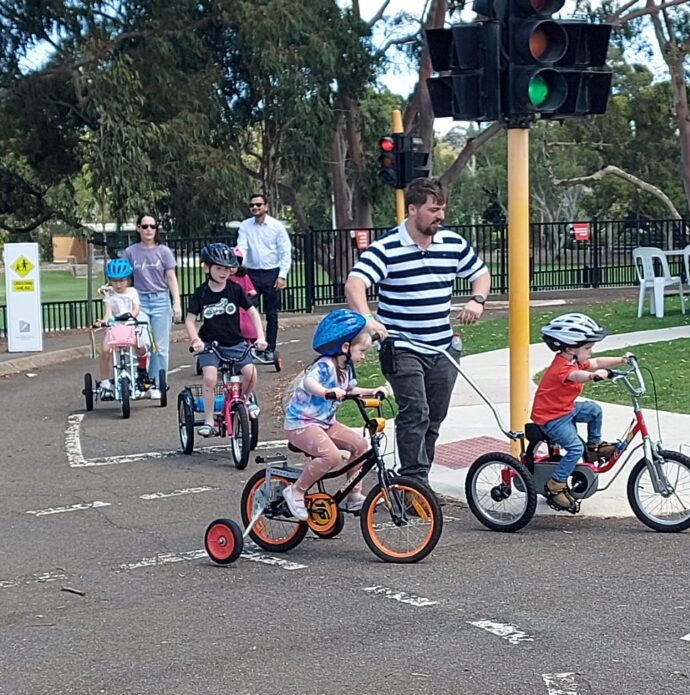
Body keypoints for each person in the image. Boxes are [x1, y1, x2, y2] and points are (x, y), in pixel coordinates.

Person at [344, 177, 490, 490]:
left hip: (442, 347)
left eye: (443, 209)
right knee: (416, 412)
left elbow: (480, 274)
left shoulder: (452, 244)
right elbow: (354, 284)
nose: (441, 216)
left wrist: (477, 300)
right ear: (412, 209)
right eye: (433, 209)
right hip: (402, 346)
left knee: (434, 417)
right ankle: (414, 485)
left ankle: (412, 477)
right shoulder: (387, 248)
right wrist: (368, 319)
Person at [281, 309, 389, 520]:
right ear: (345, 347)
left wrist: (371, 391)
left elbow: (348, 390)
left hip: (325, 423)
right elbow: (308, 382)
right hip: (301, 424)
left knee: (360, 445)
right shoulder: (325, 365)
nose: (363, 356)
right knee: (330, 456)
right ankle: (296, 491)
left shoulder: (346, 368)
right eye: (362, 351)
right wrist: (325, 392)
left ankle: (354, 496)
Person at [531, 313, 628, 511]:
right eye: (587, 348)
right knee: (575, 448)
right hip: (552, 417)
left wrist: (622, 359)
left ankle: (594, 447)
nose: (591, 352)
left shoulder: (574, 360)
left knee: (594, 410)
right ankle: (556, 485)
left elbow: (597, 362)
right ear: (569, 349)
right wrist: (593, 376)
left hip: (566, 409)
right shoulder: (562, 368)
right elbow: (576, 376)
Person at [185, 243, 267, 438]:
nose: (223, 273)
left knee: (251, 374)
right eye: (218, 268)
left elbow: (253, 313)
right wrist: (195, 339)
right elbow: (189, 320)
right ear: (207, 268)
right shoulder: (201, 292)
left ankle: (245, 400)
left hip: (235, 343)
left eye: (227, 268)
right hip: (210, 345)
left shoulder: (235, 289)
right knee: (210, 378)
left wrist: (261, 337)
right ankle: (208, 419)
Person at [124, 214, 182, 399]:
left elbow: (171, 277)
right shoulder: (130, 252)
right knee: (144, 343)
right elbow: (123, 278)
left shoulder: (163, 251)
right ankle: (143, 380)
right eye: (145, 226)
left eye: (152, 226)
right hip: (139, 300)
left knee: (160, 347)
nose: (149, 230)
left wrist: (177, 303)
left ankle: (158, 383)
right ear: (138, 228)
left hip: (160, 300)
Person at [236, 193, 292, 363]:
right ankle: (252, 346)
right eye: (252, 205)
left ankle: (270, 348)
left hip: (271, 273)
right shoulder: (245, 226)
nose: (255, 208)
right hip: (251, 273)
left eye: (258, 205)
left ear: (265, 206)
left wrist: (282, 275)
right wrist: (239, 264)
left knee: (271, 314)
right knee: (248, 311)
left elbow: (285, 252)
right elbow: (242, 247)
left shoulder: (276, 226)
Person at [94, 258, 146, 399]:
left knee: (141, 347)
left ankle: (142, 371)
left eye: (121, 280)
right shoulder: (109, 294)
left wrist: (130, 316)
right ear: (110, 280)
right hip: (114, 327)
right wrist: (103, 321)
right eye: (114, 281)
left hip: (129, 325)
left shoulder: (132, 292)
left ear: (127, 280)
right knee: (105, 350)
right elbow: (108, 312)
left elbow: (136, 309)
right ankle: (105, 382)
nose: (118, 284)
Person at [227, 246, 259, 344]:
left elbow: (252, 291)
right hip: (229, 307)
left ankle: (250, 342)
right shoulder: (224, 278)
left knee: (246, 325)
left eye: (234, 266)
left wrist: (250, 294)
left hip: (241, 308)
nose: (232, 269)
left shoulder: (243, 277)